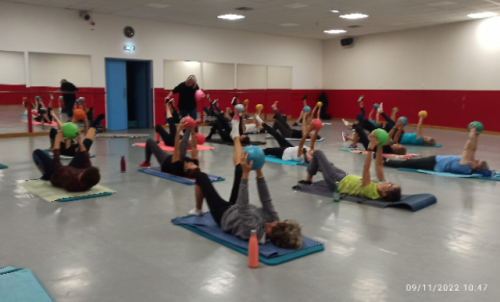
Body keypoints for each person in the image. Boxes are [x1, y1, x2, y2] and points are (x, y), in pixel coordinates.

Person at [189, 122, 303, 249]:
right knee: (239, 168)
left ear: (275, 229)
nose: (280, 220)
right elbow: (266, 200)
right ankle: (235, 137)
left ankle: (198, 210)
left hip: (223, 214)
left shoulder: (254, 232)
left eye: (281, 223)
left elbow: (243, 207)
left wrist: (246, 175)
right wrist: (259, 172)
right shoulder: (273, 219)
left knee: (201, 176)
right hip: (236, 206)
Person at [300, 133, 402, 201]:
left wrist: (371, 147)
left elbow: (366, 169)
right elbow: (379, 165)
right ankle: (310, 161)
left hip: (336, 182)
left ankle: (308, 178)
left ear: (384, 194)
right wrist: (380, 146)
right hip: (344, 176)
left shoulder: (371, 193)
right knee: (325, 165)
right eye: (392, 183)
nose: (389, 182)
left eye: (390, 185)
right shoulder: (380, 183)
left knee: (318, 153)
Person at [32, 115, 104, 192]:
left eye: (83, 172)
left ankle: (46, 175)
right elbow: (86, 157)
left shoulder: (70, 182)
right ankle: (94, 124)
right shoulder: (88, 180)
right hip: (72, 169)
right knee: (86, 146)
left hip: (55, 174)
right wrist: (79, 142)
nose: (83, 170)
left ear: (80, 177)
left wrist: (57, 142)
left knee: (36, 152)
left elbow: (57, 165)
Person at [385, 125, 489, 173]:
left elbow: (467, 150)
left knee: (408, 163)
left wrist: (471, 133)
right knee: (410, 162)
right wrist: (477, 135)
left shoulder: (465, 167)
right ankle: (387, 161)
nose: (474, 160)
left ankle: (385, 162)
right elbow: (473, 149)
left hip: (433, 164)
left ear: (475, 168)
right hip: (435, 159)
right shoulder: (470, 163)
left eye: (477, 162)